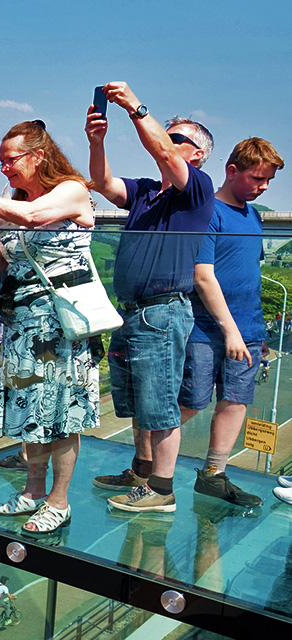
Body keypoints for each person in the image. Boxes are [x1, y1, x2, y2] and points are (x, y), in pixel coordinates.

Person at [0, 119, 99, 534]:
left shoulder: (71, 190)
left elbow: (34, 218)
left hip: (59, 326)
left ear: (38, 155)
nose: (5, 169)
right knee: (29, 413)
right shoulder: (12, 200)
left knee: (61, 414)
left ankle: (59, 500)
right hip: (20, 325)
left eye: (10, 160)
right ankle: (33, 492)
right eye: (1, 161)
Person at [87, 82, 215, 513]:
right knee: (142, 403)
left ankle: (161, 490)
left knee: (159, 406)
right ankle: (141, 470)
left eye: (178, 138)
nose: (169, 142)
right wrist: (97, 142)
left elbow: (162, 153)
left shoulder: (197, 187)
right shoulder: (146, 191)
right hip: (134, 313)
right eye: (170, 135)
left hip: (161, 313)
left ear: (196, 154)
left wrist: (136, 108)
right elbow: (102, 182)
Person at [180, 138, 283, 507]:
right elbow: (202, 276)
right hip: (207, 328)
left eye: (268, 180)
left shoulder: (253, 216)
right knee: (191, 401)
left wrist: (256, 332)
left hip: (248, 329)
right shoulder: (208, 212)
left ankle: (213, 476)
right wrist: (231, 329)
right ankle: (148, 470)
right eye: (257, 178)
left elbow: (247, 274)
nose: (264, 187)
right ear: (231, 171)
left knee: (235, 401)